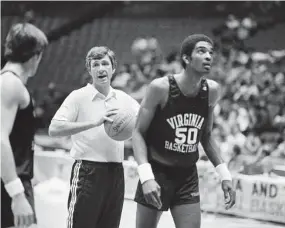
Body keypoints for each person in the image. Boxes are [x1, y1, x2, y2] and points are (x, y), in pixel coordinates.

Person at [132, 34, 236, 228]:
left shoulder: (212, 90)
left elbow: (206, 136)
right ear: (187, 59)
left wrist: (225, 174)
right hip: (157, 171)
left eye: (211, 53)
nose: (208, 56)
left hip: (187, 177)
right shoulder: (160, 87)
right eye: (201, 51)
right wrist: (146, 177)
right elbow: (138, 132)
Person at [48, 46, 140, 228]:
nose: (100, 68)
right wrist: (93, 123)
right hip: (87, 172)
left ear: (113, 68)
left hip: (116, 173)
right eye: (95, 64)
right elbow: (54, 128)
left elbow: (145, 122)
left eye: (105, 63)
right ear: (89, 70)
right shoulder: (78, 97)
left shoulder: (124, 99)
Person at [1, 23, 48, 228]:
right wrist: (17, 194)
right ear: (35, 56)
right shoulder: (10, 84)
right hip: (9, 186)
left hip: (16, 181)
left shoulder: (11, 84)